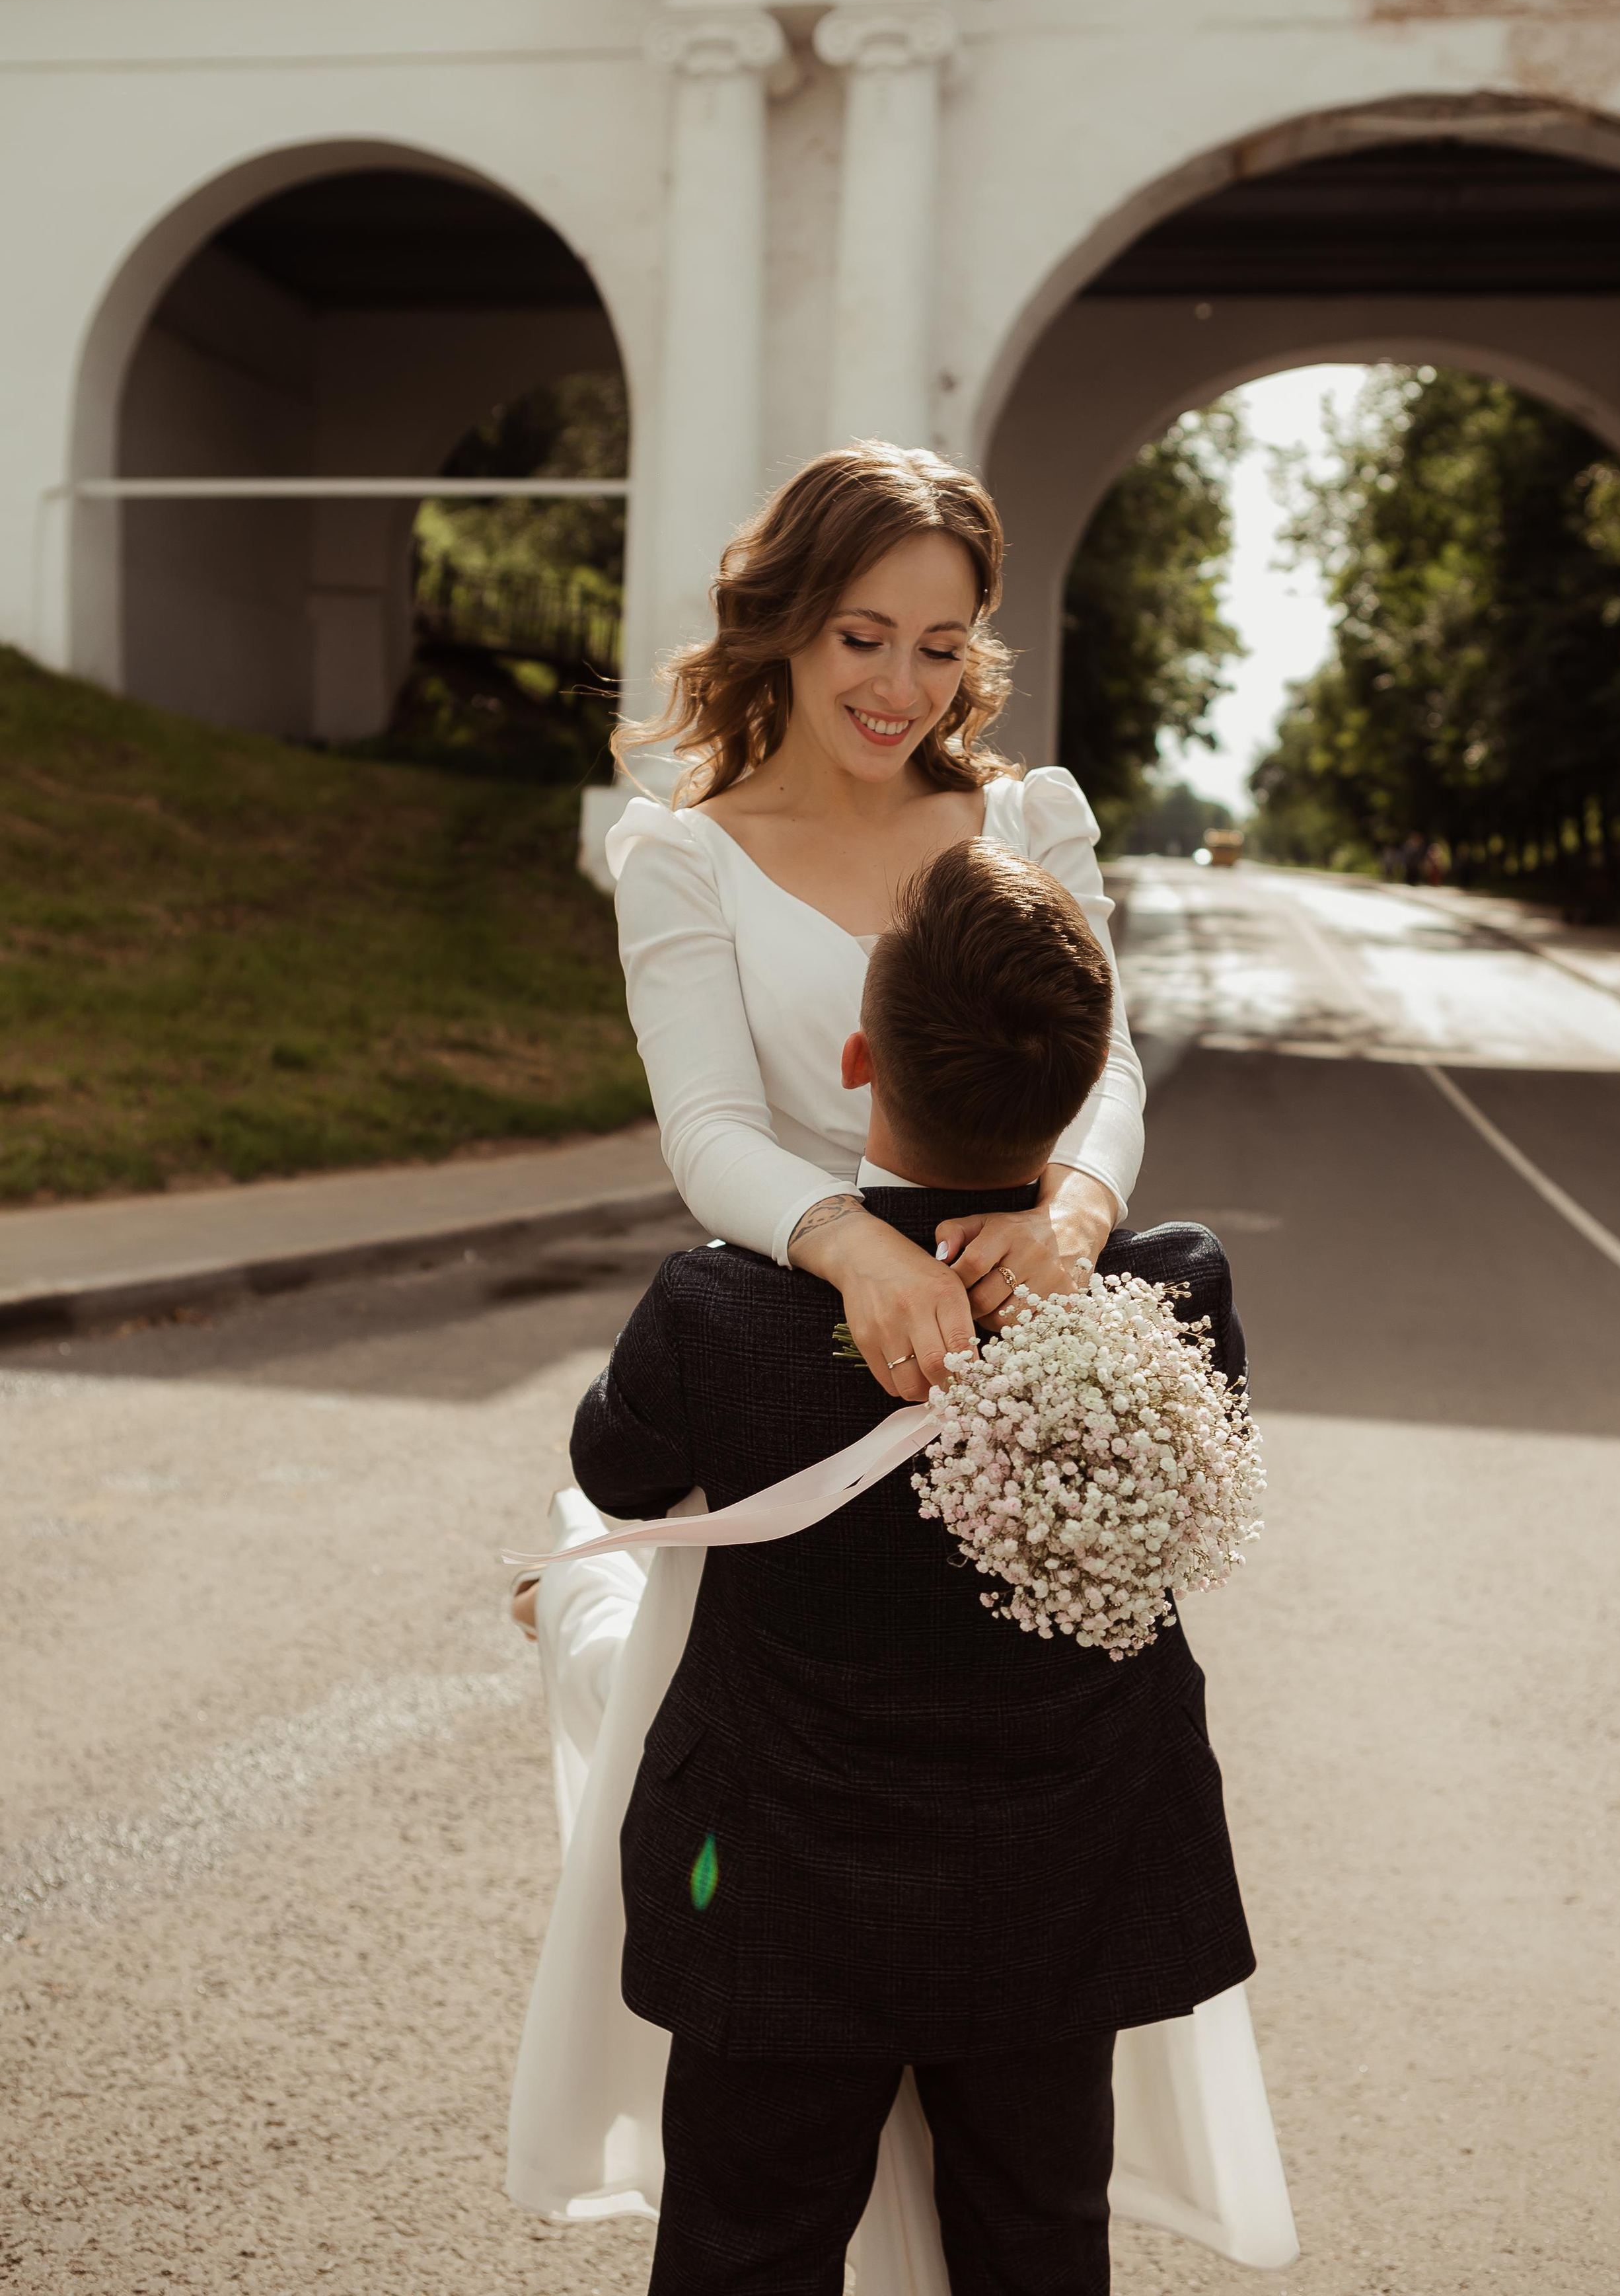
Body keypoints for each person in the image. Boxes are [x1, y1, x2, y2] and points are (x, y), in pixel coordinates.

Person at [559, 839, 1265, 2296]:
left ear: (857, 1056)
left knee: (742, 2250)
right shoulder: (1170, 1294)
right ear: (1078, 1096)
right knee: (1037, 2238)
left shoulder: (716, 1311)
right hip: (1055, 1891)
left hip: (770, 1884)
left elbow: (611, 1468)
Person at [604, 440, 1144, 1400]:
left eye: (940, 648)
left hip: (1026, 1323)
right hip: (797, 1334)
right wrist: (855, 1248)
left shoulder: (1031, 824)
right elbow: (709, 1129)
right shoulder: (685, 860)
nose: (903, 690)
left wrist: (1074, 1218)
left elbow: (1109, 1067)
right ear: (788, 622)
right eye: (864, 639)